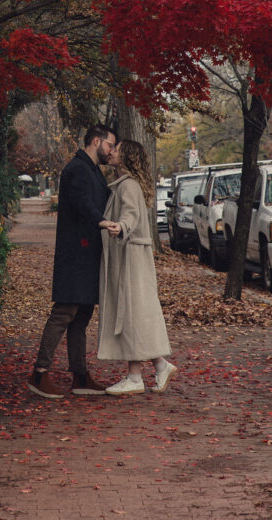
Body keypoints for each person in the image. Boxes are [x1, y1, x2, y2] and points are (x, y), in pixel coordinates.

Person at [27, 124, 116, 399]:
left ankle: (80, 376)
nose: (111, 151)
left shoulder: (92, 170)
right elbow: (80, 202)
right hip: (76, 252)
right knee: (65, 311)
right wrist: (101, 221)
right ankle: (39, 374)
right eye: (110, 145)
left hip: (87, 252)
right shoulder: (77, 169)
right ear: (96, 141)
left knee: (82, 315)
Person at [97, 138, 177, 395]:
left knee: (131, 313)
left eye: (117, 150)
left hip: (130, 258)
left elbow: (130, 215)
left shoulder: (128, 186)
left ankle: (135, 377)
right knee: (137, 314)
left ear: (127, 157)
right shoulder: (127, 184)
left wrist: (120, 227)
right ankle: (160, 366)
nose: (111, 152)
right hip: (133, 256)